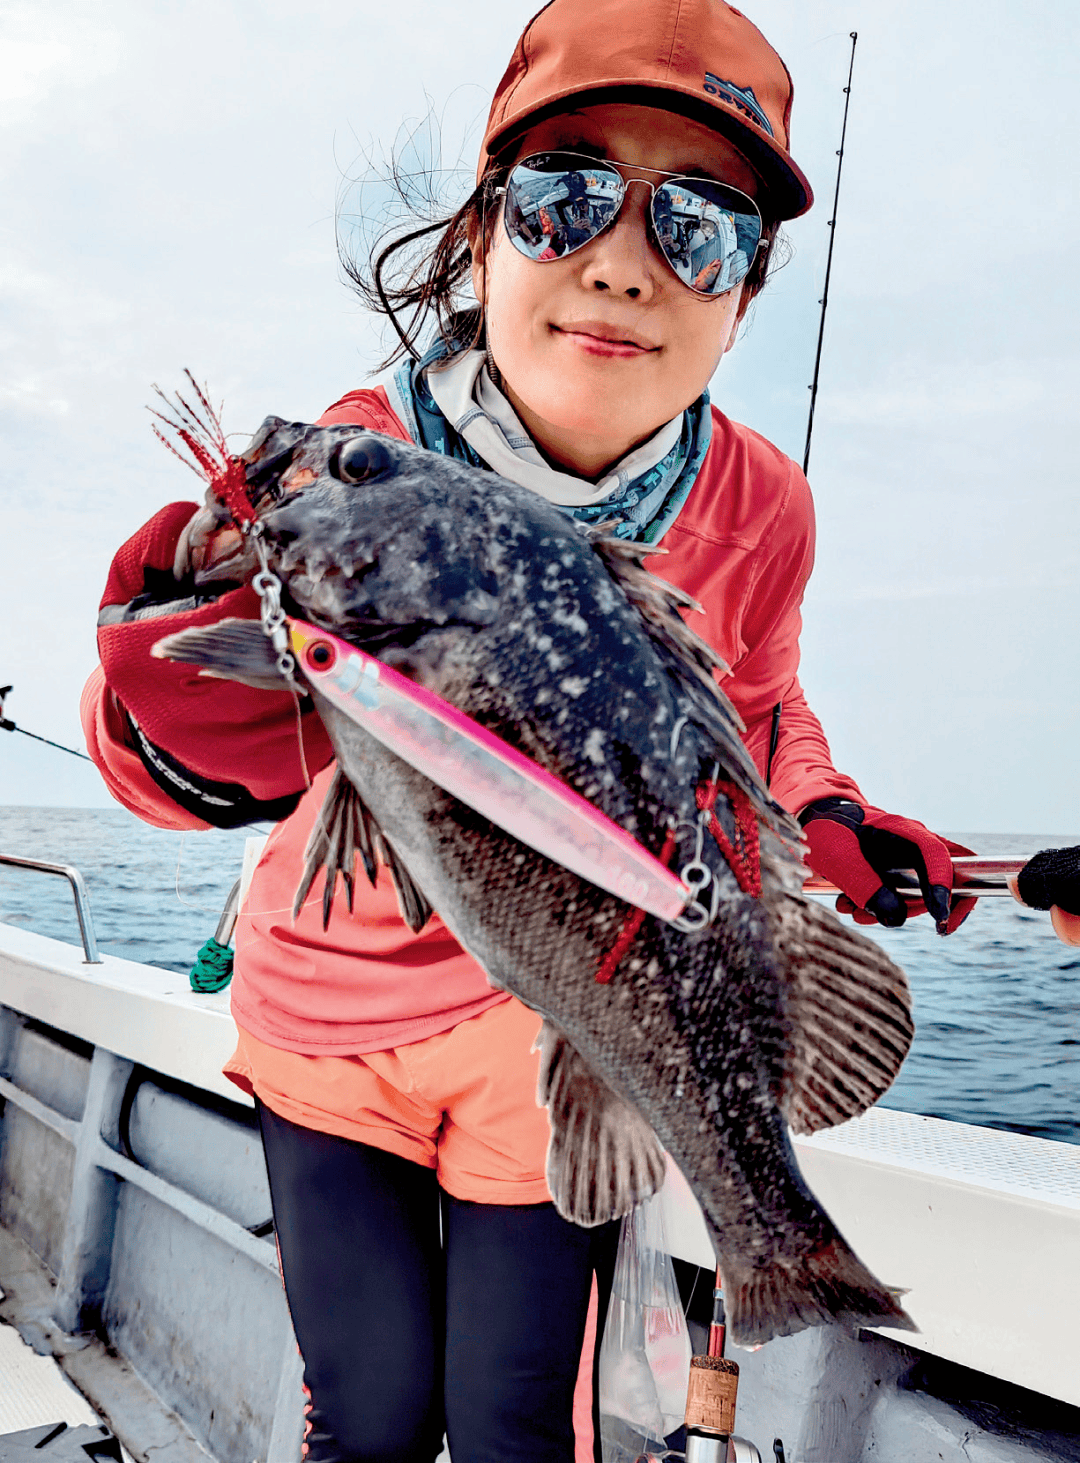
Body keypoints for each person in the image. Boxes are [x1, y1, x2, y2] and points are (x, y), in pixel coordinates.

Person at [81, 2, 976, 1458]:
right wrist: (170, 716)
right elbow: (154, 758)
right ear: (480, 236)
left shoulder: (762, 506)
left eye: (700, 227)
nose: (623, 260)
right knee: (366, 1412)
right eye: (566, 197)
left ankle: (781, 1254)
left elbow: (761, 700)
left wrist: (823, 811)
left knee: (513, 1424)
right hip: (327, 1025)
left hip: (549, 1032)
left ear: (745, 294)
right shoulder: (356, 460)